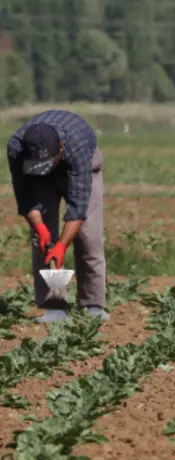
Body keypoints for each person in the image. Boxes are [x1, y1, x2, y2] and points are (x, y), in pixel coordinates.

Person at [6, 109, 109, 323]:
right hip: (38, 175)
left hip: (83, 165)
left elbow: (78, 208)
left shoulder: (77, 146)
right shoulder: (17, 148)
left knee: (88, 237)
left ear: (61, 148)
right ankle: (55, 306)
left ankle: (93, 304)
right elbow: (25, 197)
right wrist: (41, 229)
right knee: (43, 242)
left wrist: (62, 246)